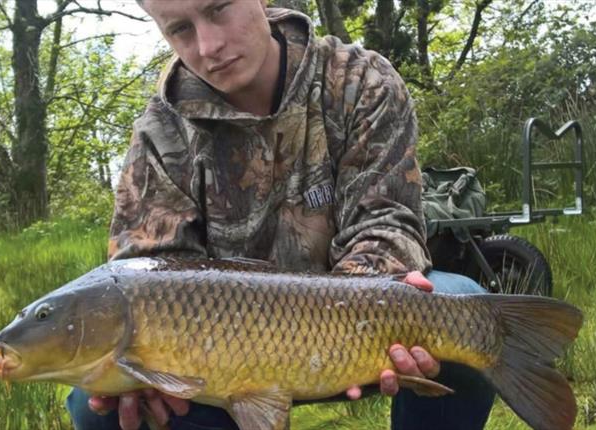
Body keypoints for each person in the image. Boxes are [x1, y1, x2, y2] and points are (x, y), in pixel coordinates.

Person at [66, 0, 496, 429]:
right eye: (180, 29)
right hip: (217, 360)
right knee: (97, 406)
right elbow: (150, 269)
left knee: (465, 305)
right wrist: (142, 370)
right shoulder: (161, 130)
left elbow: (386, 222)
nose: (209, 45)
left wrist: (340, 343)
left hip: (360, 333)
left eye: (218, 9)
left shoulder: (361, 80)